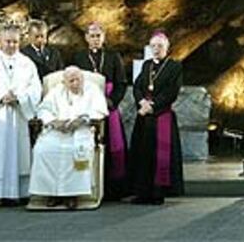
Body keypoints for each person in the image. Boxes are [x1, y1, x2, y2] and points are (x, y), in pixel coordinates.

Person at [28, 66, 108, 209]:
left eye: (78, 79)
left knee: (76, 150)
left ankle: (73, 194)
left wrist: (82, 120)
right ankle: (50, 193)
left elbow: (99, 109)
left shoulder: (92, 90)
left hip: (81, 130)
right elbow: (44, 109)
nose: (76, 83)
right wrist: (54, 121)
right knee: (42, 150)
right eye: (71, 81)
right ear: (64, 82)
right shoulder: (56, 91)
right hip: (57, 130)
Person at [0, 24, 41, 205]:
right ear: (0, 41)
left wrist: (19, 97)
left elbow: (35, 88)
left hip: (17, 115)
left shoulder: (27, 63)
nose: (11, 45)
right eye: (8, 41)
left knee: (17, 154)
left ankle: (15, 194)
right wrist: (0, 97)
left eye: (15, 41)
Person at [73, 22, 128, 199]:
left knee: (114, 145)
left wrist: (111, 101)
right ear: (86, 38)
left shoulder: (113, 56)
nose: (95, 39)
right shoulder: (79, 57)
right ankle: (87, 186)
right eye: (92, 36)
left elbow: (121, 83)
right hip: (86, 107)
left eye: (98, 36)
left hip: (109, 105)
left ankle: (113, 190)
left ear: (103, 37)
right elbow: (73, 82)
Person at [129, 30, 184, 204]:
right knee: (142, 154)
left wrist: (152, 105)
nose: (156, 49)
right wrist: (141, 103)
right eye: (153, 46)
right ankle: (142, 192)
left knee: (160, 156)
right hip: (145, 118)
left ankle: (158, 193)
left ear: (167, 47)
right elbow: (137, 87)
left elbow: (171, 92)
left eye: (160, 46)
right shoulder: (146, 65)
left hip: (162, 116)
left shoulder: (174, 67)